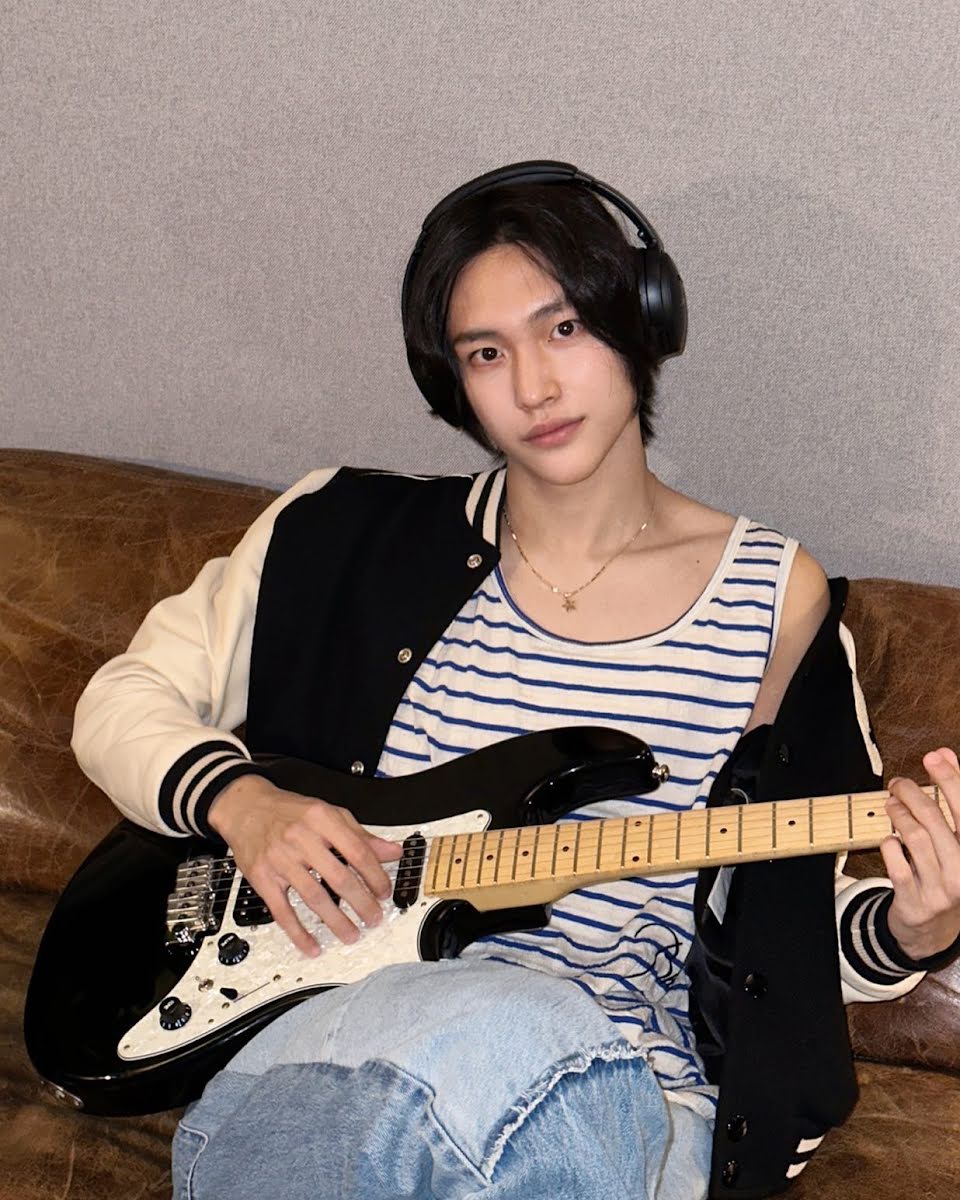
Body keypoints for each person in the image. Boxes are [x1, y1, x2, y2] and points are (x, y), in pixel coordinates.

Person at [71, 162, 960, 1200]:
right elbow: (118, 703)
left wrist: (914, 928)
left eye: (564, 330)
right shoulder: (339, 532)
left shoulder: (776, 600)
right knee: (468, 1047)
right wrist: (245, 803)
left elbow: (782, 932)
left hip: (634, 1092)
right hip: (345, 1050)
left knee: (536, 1042)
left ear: (641, 320)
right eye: (486, 353)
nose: (532, 387)